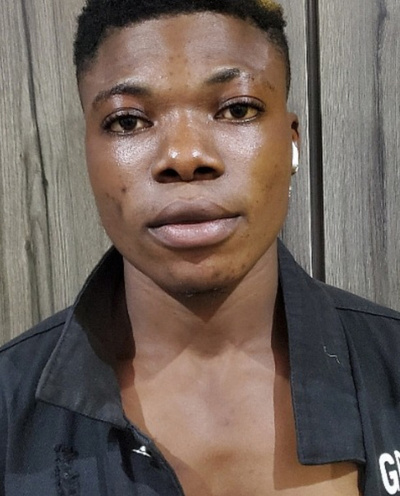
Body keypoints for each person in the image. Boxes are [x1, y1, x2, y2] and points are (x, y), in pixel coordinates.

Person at [1, 0, 400, 495]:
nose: (185, 157)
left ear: (291, 143)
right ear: (87, 154)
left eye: (237, 109)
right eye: (127, 121)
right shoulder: (9, 409)